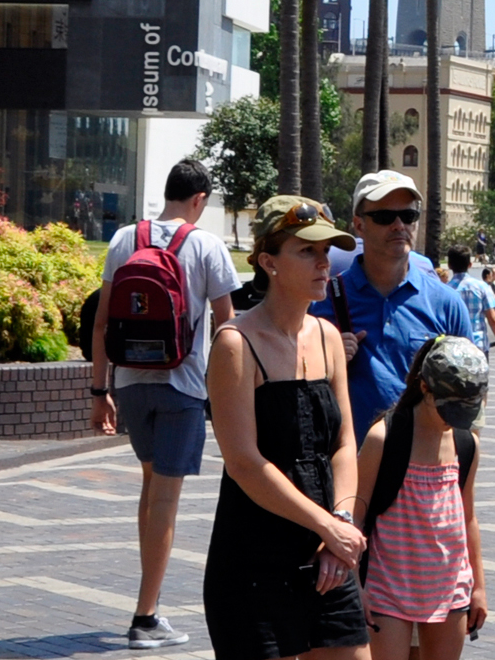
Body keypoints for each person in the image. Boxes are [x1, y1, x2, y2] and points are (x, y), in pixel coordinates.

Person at [203, 196, 370, 660]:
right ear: (268, 262)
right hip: (255, 560)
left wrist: (337, 528)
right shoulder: (236, 343)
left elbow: (343, 443)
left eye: (326, 253)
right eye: (307, 251)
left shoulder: (329, 336)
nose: (323, 263)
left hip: (326, 554)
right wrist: (328, 528)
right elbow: (244, 463)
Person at [89, 159, 240, 649]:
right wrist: (227, 391)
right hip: (183, 386)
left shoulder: (123, 239)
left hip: (131, 383)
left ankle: (149, 607)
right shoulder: (206, 245)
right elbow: (228, 328)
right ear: (199, 199)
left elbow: (100, 323)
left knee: (152, 485)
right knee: (166, 500)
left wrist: (99, 391)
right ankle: (145, 615)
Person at [354, 335, 491, 660]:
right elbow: (354, 516)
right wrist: (355, 586)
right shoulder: (383, 439)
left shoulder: (465, 443)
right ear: (424, 387)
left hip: (449, 587)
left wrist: (479, 587)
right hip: (388, 589)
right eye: (449, 410)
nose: (453, 421)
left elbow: (467, 517)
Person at [312, 170, 474, 437]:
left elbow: (470, 390)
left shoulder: (446, 303)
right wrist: (326, 359)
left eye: (409, 216)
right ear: (359, 225)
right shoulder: (322, 300)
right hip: (349, 463)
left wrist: (464, 462)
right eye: (385, 217)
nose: (399, 225)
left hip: (422, 464)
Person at [446, 246, 495, 364]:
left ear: (449, 265)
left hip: (452, 350)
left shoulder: (444, 290)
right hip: (478, 346)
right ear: (470, 265)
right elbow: (493, 319)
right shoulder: (482, 287)